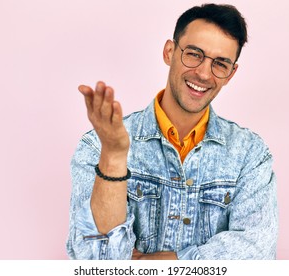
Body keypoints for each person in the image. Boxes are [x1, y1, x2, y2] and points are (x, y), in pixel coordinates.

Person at [67, 3, 278, 260]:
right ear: (169, 52)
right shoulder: (97, 147)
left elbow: (258, 254)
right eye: (194, 54)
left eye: (220, 64)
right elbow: (94, 261)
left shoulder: (250, 155)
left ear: (231, 74)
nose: (202, 73)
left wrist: (169, 261)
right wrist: (113, 156)